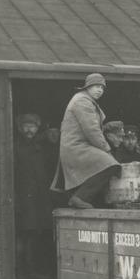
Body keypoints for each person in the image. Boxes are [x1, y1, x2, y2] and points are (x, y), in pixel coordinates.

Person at [50, 73, 121, 209]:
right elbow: (92, 130)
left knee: (103, 166)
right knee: (111, 164)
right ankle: (80, 198)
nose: (100, 90)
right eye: (96, 86)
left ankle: (86, 200)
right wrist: (107, 150)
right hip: (77, 147)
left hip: (79, 146)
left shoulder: (84, 100)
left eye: (102, 87)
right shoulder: (82, 102)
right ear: (87, 86)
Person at [14, 113, 55, 279]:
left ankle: (35, 270)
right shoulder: (16, 147)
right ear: (20, 128)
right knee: (24, 237)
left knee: (38, 235)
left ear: (37, 128)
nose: (29, 129)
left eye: (33, 126)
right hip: (24, 200)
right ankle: (22, 273)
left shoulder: (41, 148)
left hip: (40, 200)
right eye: (26, 126)